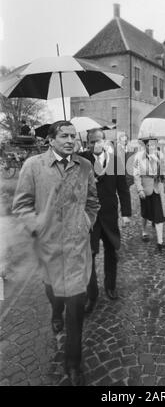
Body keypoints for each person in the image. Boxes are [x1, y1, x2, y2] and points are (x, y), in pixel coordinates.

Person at [12, 120, 99, 386]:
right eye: (64, 135)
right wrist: (36, 225)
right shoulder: (34, 166)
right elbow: (21, 205)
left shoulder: (84, 167)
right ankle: (54, 310)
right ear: (51, 140)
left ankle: (73, 363)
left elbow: (94, 201)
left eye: (74, 136)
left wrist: (86, 222)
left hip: (76, 249)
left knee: (76, 303)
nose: (70, 140)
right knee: (52, 290)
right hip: (48, 248)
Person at [80, 128, 131, 309]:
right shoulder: (80, 161)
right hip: (89, 217)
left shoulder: (115, 162)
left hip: (109, 215)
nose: (95, 144)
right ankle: (90, 291)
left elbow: (123, 189)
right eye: (92, 141)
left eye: (99, 140)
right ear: (87, 143)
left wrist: (126, 214)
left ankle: (110, 286)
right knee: (89, 255)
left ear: (105, 141)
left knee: (111, 252)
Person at [133, 139, 165, 251]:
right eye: (148, 145)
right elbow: (136, 174)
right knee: (145, 212)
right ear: (145, 145)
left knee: (159, 214)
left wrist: (158, 162)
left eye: (153, 145)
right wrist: (140, 190)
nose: (151, 147)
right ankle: (144, 231)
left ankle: (160, 242)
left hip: (158, 188)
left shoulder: (160, 155)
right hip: (145, 188)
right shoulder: (138, 156)